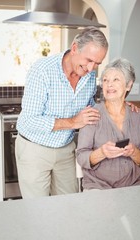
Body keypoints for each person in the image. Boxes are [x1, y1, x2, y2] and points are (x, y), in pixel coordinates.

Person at [15, 26, 108, 198]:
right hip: (35, 149)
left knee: (69, 206)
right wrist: (73, 122)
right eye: (89, 60)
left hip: (66, 149)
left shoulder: (88, 77)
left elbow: (91, 109)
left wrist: (121, 108)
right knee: (37, 210)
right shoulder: (42, 70)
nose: (91, 68)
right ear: (74, 48)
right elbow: (29, 120)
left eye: (97, 63)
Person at [76, 58, 140, 190]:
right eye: (105, 80)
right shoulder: (91, 115)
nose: (109, 84)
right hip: (98, 186)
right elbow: (81, 157)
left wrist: (134, 152)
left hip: (134, 183)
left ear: (128, 85)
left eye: (116, 79)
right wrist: (102, 152)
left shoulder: (139, 117)